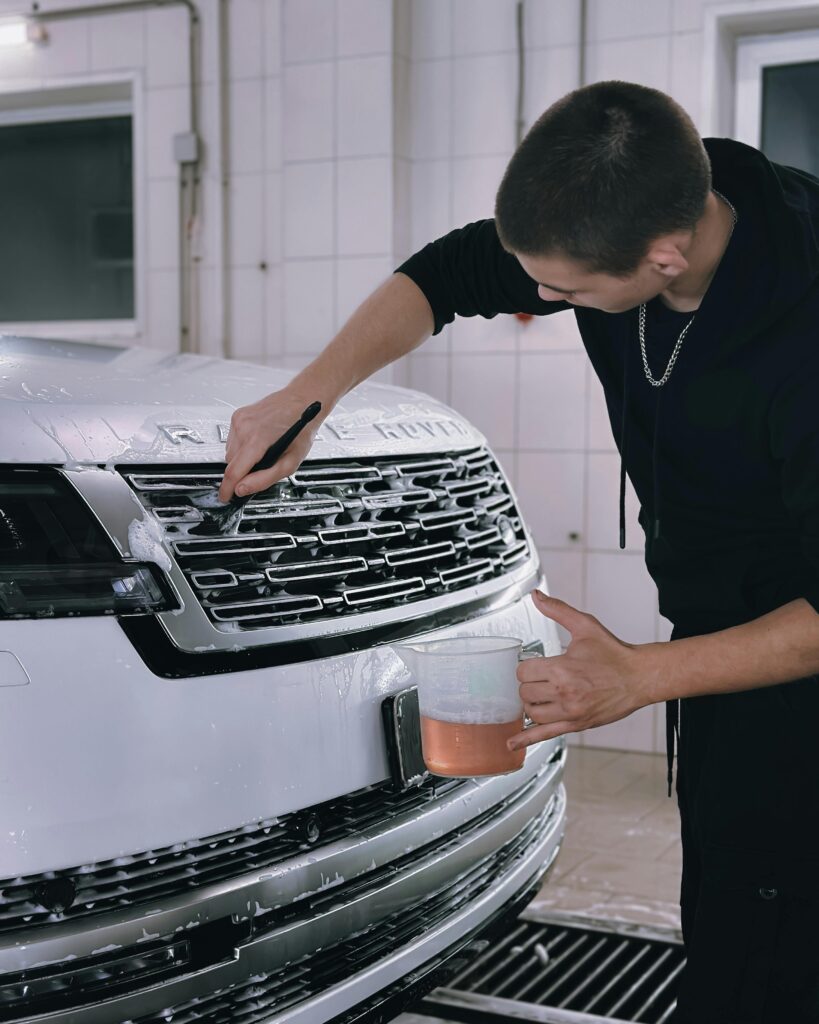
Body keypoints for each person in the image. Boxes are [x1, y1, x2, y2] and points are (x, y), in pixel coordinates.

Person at [218, 80, 819, 1023]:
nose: (543, 299)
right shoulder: (644, 199)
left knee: (775, 952)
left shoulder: (804, 330)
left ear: (665, 257)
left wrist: (637, 677)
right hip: (718, 638)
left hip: (794, 652)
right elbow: (444, 276)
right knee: (728, 907)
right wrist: (308, 400)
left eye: (569, 292)